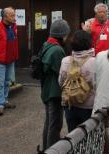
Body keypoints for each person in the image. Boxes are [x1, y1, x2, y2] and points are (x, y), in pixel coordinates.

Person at [41, 19, 70, 150]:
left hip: (46, 90)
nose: (67, 38)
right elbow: (62, 73)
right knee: (55, 124)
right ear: (62, 35)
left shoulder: (46, 45)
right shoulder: (57, 51)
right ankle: (52, 150)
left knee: (49, 123)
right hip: (54, 93)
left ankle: (46, 148)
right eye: (66, 35)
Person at [59, 30, 97, 132]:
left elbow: (61, 82)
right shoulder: (94, 62)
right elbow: (96, 85)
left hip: (70, 104)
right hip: (88, 107)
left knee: (72, 137)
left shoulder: (66, 61)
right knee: (88, 137)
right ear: (89, 43)